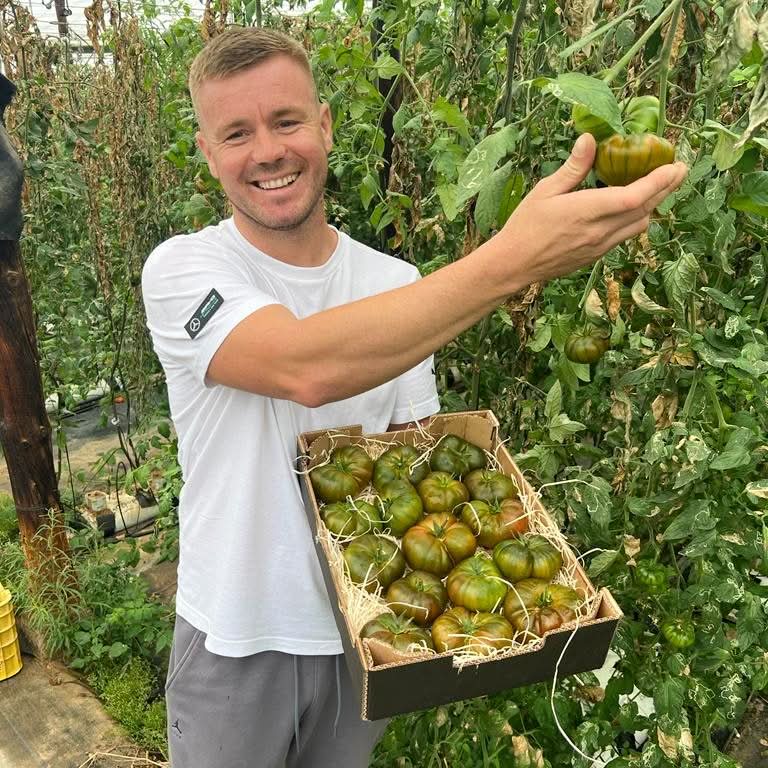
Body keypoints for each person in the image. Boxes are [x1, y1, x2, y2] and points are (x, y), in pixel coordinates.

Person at [141, 25, 686, 768]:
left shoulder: (395, 285)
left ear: (326, 125)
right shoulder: (183, 270)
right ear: (209, 153)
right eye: (236, 132)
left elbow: (420, 455)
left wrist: (508, 575)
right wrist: (512, 261)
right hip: (237, 636)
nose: (266, 150)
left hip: (376, 632)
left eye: (287, 121)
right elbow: (304, 367)